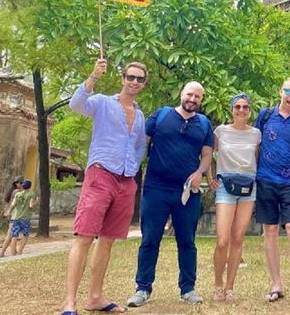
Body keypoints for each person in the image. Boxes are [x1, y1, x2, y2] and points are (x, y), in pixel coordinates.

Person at [60, 59, 148, 315]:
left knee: (107, 240)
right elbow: (76, 104)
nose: (134, 82)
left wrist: (131, 170)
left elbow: (139, 145)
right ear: (122, 78)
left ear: (143, 83)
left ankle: (95, 297)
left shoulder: (140, 115)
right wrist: (93, 77)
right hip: (101, 174)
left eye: (140, 79)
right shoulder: (101, 102)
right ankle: (69, 302)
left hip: (126, 179)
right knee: (85, 237)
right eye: (130, 77)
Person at [127, 81, 214, 307]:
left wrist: (199, 173)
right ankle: (142, 289)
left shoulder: (204, 124)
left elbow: (206, 156)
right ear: (181, 94)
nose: (192, 99)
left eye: (197, 96)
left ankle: (188, 288)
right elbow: (140, 145)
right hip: (156, 189)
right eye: (189, 94)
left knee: (187, 241)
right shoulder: (161, 116)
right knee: (149, 240)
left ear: (201, 100)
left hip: (187, 191)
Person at [254, 78, 290, 308]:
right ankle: (276, 283)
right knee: (269, 230)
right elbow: (256, 146)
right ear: (281, 91)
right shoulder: (265, 115)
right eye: (288, 91)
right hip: (266, 179)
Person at [211, 93, 260, 302]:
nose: (241, 110)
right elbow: (207, 153)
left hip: (248, 186)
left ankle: (230, 286)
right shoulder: (220, 131)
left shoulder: (256, 134)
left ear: (250, 110)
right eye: (238, 107)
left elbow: (256, 159)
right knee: (223, 240)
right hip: (225, 185)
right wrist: (209, 177)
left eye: (245, 107)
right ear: (232, 109)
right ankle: (218, 283)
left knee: (238, 238)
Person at [9, 180, 37, 255]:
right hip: (25, 216)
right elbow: (31, 205)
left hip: (16, 216)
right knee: (25, 234)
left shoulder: (17, 194)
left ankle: (12, 252)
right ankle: (20, 251)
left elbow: (13, 204)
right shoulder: (32, 194)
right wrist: (35, 203)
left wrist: (8, 211)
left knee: (14, 235)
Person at [0, 175, 24, 258]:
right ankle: (3, 252)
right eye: (19, 183)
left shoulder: (13, 192)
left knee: (12, 234)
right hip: (14, 215)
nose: (21, 184)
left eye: (21, 183)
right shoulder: (17, 192)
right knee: (10, 235)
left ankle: (11, 251)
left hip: (13, 214)